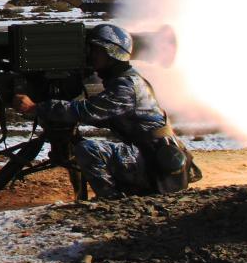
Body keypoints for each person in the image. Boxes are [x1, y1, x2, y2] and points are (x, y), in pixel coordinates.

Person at [12, 23, 200, 200]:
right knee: (85, 146)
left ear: (112, 53)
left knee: (89, 150)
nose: (91, 55)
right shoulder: (124, 81)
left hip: (154, 160)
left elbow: (89, 111)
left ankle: (113, 200)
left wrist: (36, 107)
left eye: (96, 51)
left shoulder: (126, 87)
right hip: (149, 153)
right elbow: (102, 115)